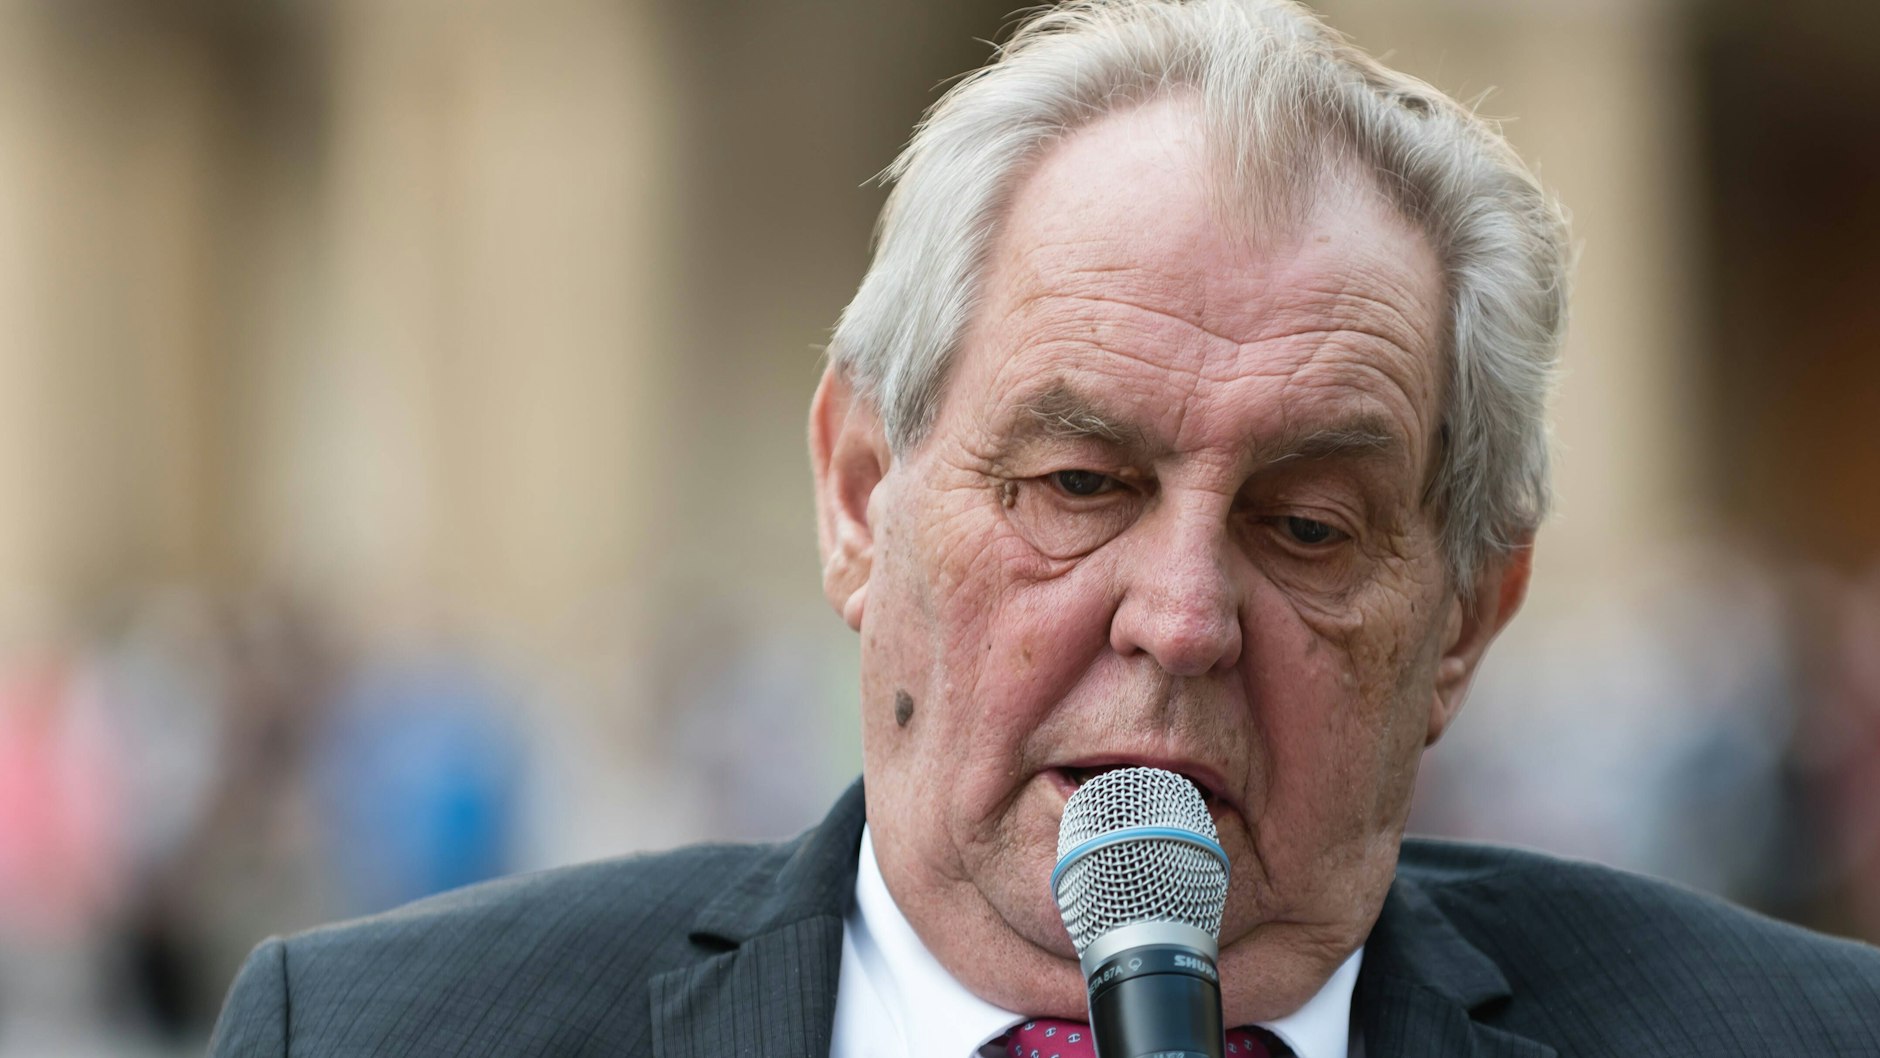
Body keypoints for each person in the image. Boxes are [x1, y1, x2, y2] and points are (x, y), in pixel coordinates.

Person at [208, 1, 1880, 1055]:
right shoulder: (365, 1035)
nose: (1182, 616)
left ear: (1461, 623)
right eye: (1079, 485)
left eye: (1307, 525)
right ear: (860, 497)